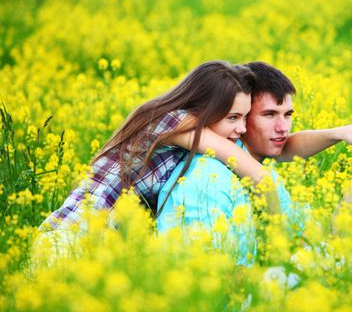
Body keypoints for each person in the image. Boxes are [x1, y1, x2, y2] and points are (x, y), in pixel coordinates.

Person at [157, 62, 352, 263]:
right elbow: (215, 283)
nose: (283, 128)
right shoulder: (207, 179)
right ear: (240, 116)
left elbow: (328, 249)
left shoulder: (261, 172)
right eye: (269, 115)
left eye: (288, 114)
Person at [39, 60, 269, 232]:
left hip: (96, 243)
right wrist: (280, 230)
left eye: (245, 117)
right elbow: (253, 170)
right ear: (204, 108)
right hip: (70, 235)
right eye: (233, 117)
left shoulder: (189, 137)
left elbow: (278, 150)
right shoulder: (176, 121)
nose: (243, 128)